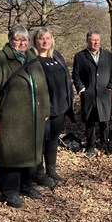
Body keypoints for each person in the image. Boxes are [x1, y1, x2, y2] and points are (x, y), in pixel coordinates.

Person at [0, 24, 50, 208]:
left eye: (25, 40)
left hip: (34, 118)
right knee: (10, 154)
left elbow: (42, 87)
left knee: (31, 153)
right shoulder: (0, 60)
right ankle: (9, 191)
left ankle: (26, 185)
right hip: (11, 118)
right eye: (18, 40)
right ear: (10, 40)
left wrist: (45, 111)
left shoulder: (32, 58)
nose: (22, 43)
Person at [32, 27, 75, 188]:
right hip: (44, 110)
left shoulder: (56, 55)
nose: (45, 41)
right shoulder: (34, 60)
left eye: (48, 38)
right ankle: (39, 173)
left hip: (60, 107)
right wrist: (41, 109)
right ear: (35, 41)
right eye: (41, 38)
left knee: (52, 140)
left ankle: (51, 169)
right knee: (41, 142)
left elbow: (66, 78)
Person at [72, 31, 112, 158]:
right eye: (93, 40)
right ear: (87, 41)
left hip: (104, 94)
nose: (96, 42)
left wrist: (111, 87)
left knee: (105, 121)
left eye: (97, 40)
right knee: (90, 122)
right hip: (89, 94)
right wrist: (81, 88)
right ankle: (90, 146)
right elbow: (76, 75)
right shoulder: (80, 56)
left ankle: (104, 145)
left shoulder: (108, 56)